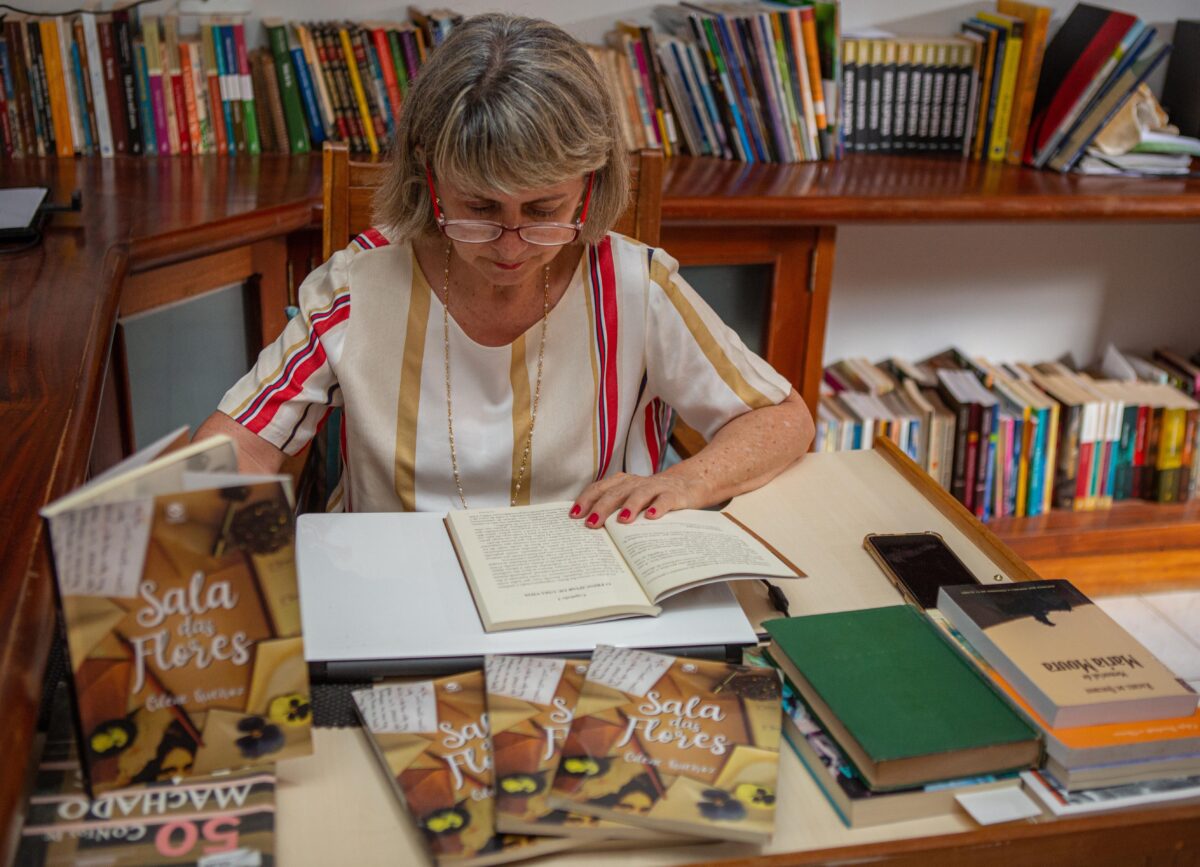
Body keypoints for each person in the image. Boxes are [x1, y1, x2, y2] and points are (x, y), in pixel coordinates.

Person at [196, 13, 813, 528]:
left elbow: (783, 418)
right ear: (428, 178)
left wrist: (687, 481)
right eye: (479, 209)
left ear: (589, 187)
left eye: (544, 211)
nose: (511, 246)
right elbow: (243, 442)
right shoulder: (357, 284)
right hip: (392, 584)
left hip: (585, 583)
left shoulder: (635, 285)